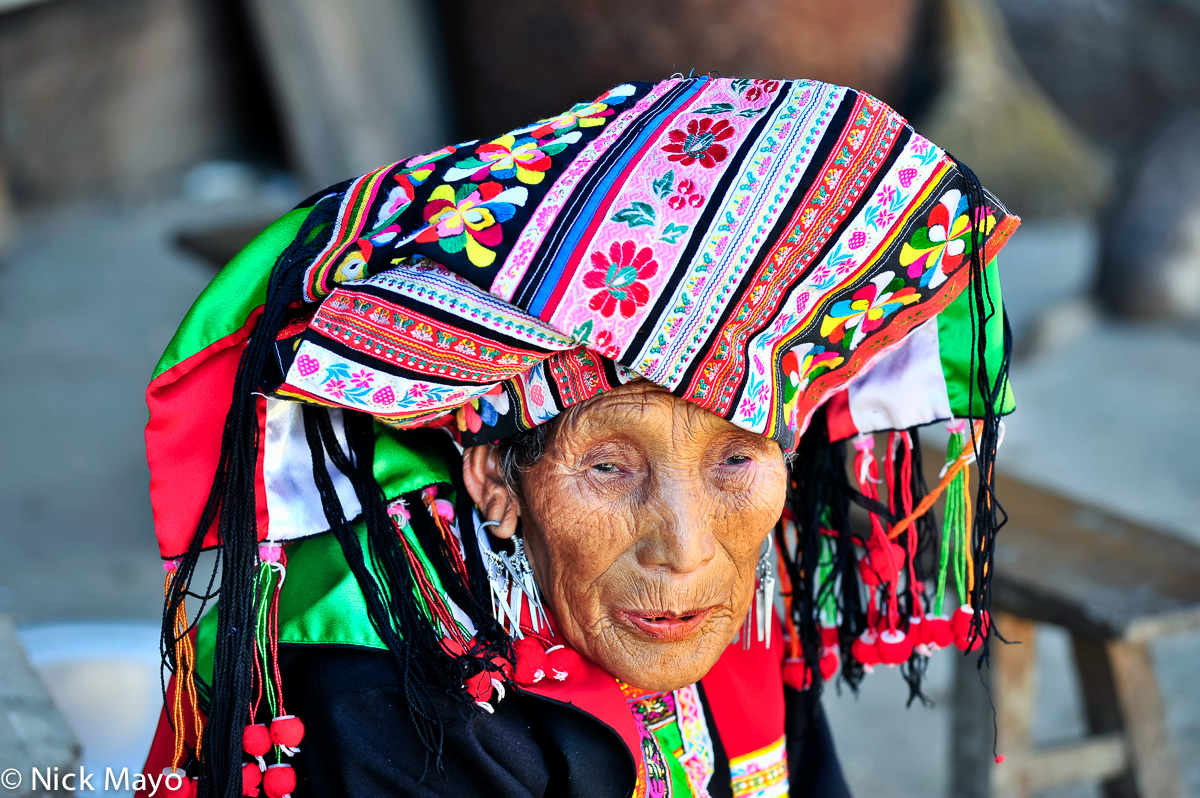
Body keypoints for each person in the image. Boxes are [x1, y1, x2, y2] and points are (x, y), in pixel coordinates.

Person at [138, 75, 1019, 798]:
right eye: (608, 465)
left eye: (737, 459)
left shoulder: (735, 624)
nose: (686, 549)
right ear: (495, 480)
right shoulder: (395, 705)